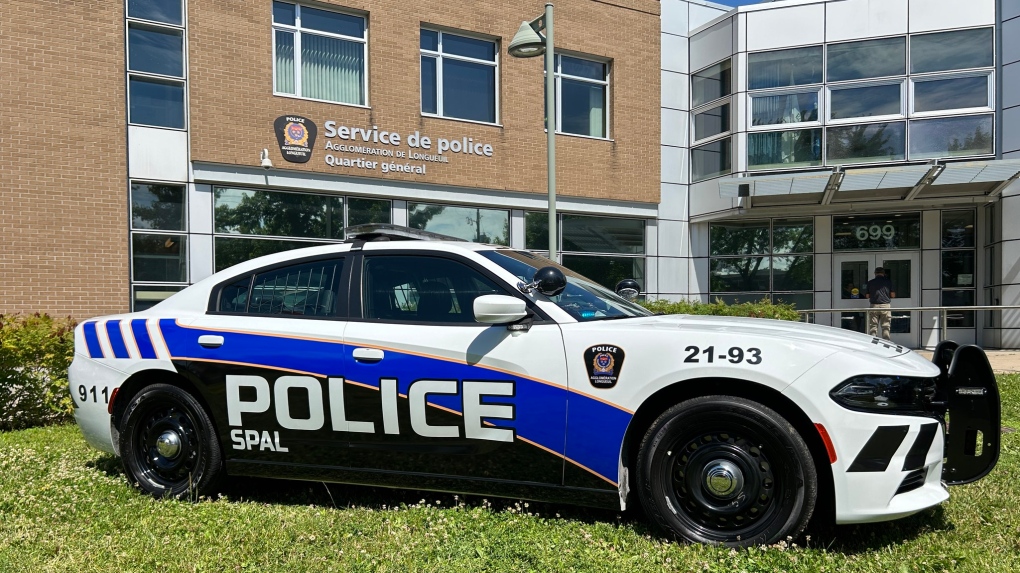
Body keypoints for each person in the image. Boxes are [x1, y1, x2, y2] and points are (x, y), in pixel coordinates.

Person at [865, 267, 896, 340]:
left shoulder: (870, 282)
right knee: (886, 326)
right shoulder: (888, 282)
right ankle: (886, 342)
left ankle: (872, 342)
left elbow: (867, 296)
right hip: (885, 306)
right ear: (884, 273)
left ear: (875, 273)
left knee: (873, 326)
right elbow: (893, 295)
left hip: (874, 306)